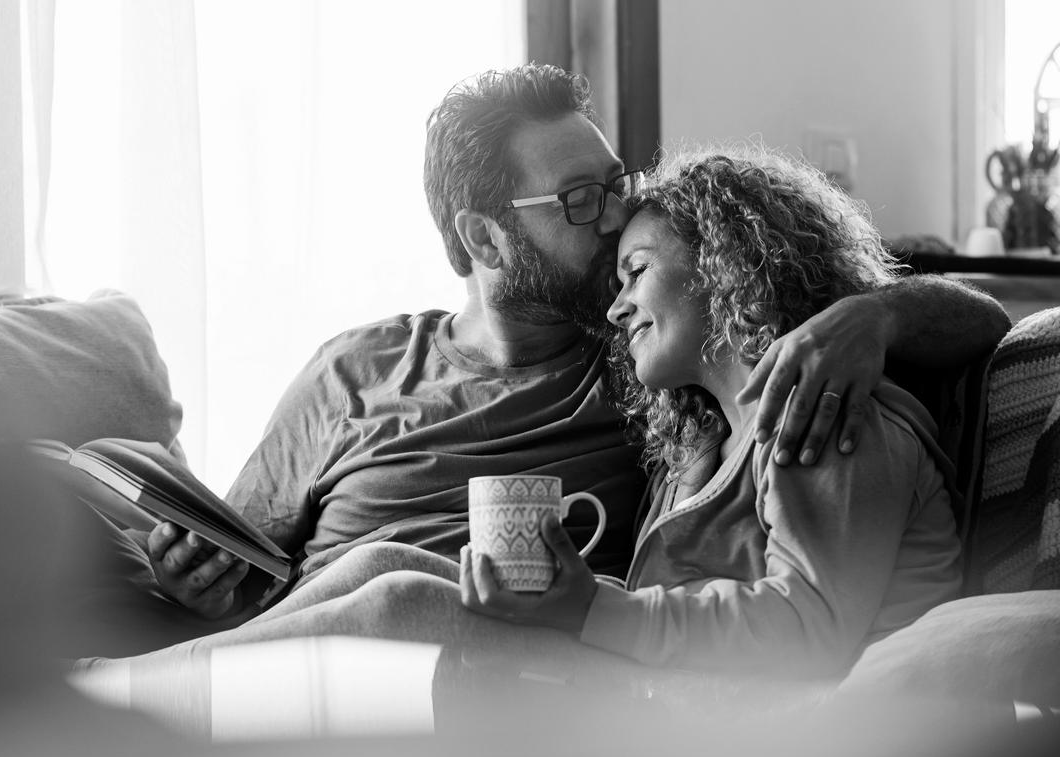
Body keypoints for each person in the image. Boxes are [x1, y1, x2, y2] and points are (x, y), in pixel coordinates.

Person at [137, 64, 1007, 635]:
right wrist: (200, 587)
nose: (616, 215)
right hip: (303, 659)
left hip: (508, 666)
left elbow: (984, 327)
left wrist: (871, 318)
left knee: (398, 581)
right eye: (581, 199)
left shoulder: (649, 372)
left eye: (615, 185)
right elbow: (244, 562)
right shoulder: (351, 369)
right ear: (484, 237)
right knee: (375, 570)